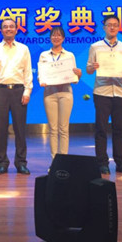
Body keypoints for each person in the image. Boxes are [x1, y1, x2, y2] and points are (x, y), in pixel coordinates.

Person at [86, 16, 122, 175]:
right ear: (104, 27)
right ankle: (102, 163)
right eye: (109, 25)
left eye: (115, 25)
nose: (112, 28)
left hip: (121, 92)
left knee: (119, 129)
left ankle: (120, 162)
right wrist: (93, 67)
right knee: (101, 129)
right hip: (102, 92)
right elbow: (88, 70)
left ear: (119, 27)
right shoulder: (95, 47)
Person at [0, 18, 33, 175]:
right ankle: (2, 162)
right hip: (0, 91)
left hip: (19, 90)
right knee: (0, 129)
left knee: (20, 129)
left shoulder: (24, 49)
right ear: (1, 31)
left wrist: (27, 91)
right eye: (5, 27)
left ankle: (21, 162)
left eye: (11, 26)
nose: (8, 29)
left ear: (16, 29)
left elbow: (27, 72)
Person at [39, 26, 82, 160]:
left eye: (59, 35)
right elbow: (41, 74)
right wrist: (42, 80)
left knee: (64, 128)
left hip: (66, 93)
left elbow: (74, 78)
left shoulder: (69, 55)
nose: (56, 37)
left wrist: (78, 74)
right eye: (53, 35)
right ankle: (54, 161)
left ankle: (63, 160)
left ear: (63, 38)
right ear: (50, 37)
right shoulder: (44, 55)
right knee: (53, 129)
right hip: (49, 94)